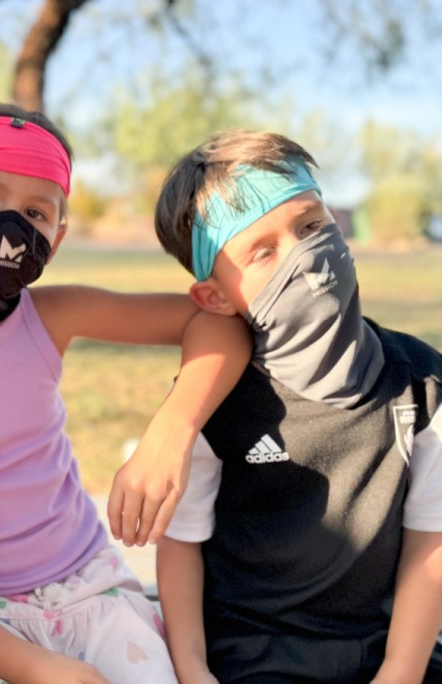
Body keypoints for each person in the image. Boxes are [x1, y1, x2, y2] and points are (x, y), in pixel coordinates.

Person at [0, 102, 252, 684]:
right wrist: (43, 670)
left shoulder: (52, 314)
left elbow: (220, 324)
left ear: (57, 235)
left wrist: (168, 434)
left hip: (90, 590)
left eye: (34, 211)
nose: (7, 226)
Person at [153, 129, 442, 683]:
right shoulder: (218, 402)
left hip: (393, 649)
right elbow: (182, 544)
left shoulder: (422, 382)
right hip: (258, 654)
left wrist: (399, 672)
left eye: (312, 226)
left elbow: (430, 541)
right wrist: (192, 669)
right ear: (215, 296)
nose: (307, 258)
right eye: (262, 251)